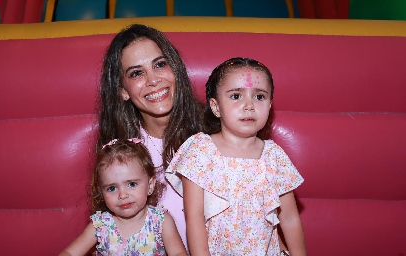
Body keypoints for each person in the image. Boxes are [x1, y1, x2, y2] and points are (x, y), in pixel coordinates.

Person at [166, 57, 306, 255]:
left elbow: (290, 218)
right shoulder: (200, 151)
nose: (249, 105)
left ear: (269, 105)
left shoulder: (274, 156)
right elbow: (194, 217)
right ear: (216, 107)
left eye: (259, 97)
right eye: (236, 96)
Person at [98, 23, 203, 249]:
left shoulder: (216, 132)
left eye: (160, 64)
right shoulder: (120, 155)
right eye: (136, 73)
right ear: (123, 90)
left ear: (175, 69)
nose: (153, 80)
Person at [59, 139, 187, 256]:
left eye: (131, 184)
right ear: (101, 192)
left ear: (150, 185)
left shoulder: (160, 221)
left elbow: (178, 253)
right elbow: (70, 252)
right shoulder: (100, 225)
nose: (122, 195)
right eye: (112, 188)